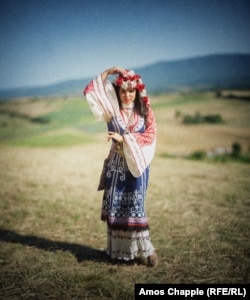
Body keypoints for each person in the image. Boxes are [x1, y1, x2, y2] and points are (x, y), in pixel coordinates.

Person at [83, 67, 158, 266]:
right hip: (116, 167)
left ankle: (147, 249)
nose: (126, 95)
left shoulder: (146, 113)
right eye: (122, 91)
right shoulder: (111, 111)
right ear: (117, 92)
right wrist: (108, 72)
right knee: (117, 208)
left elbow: (150, 137)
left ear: (137, 91)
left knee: (136, 207)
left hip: (137, 167)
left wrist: (123, 139)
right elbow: (91, 90)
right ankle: (116, 252)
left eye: (131, 90)